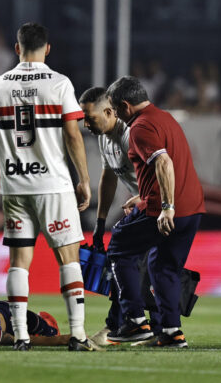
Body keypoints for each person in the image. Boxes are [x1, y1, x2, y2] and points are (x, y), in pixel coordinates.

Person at [0, 22, 94, 352]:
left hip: (15, 186)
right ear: (47, 49)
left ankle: (22, 336)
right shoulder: (59, 83)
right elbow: (72, 135)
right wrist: (84, 179)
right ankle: (78, 334)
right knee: (68, 259)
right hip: (53, 184)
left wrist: (7, 147)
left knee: (19, 262)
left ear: (17, 49)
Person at [105, 76, 205, 348]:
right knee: (163, 267)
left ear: (125, 106)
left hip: (166, 209)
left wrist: (167, 207)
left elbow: (163, 163)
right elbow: (173, 166)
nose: (116, 115)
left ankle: (135, 322)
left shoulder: (140, 126)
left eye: (115, 109)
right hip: (192, 208)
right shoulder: (165, 118)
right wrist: (144, 194)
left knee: (119, 248)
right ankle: (171, 332)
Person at [79, 86, 144, 346]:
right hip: (142, 208)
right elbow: (108, 178)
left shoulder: (131, 135)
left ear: (109, 112)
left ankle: (118, 326)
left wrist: (144, 197)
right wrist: (100, 221)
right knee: (140, 268)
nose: (85, 124)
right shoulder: (105, 137)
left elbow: (162, 167)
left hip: (157, 207)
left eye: (90, 118)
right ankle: (159, 326)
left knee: (121, 257)